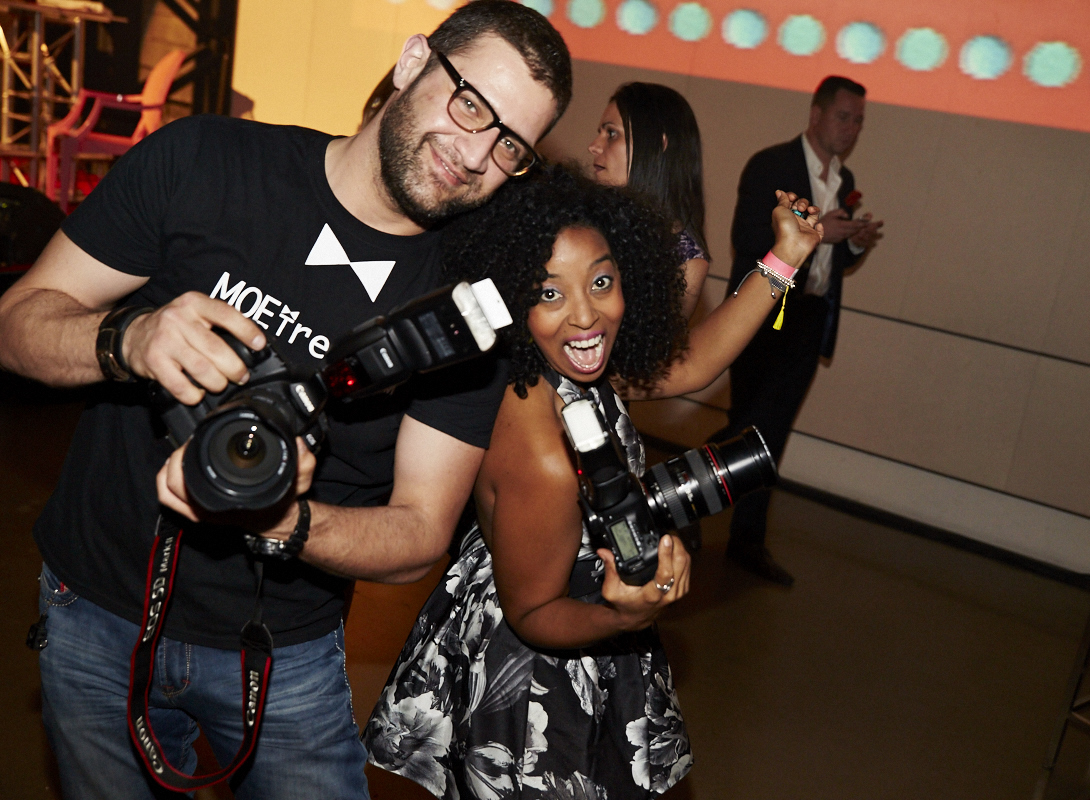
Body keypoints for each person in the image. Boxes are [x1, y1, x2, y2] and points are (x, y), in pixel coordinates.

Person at [0, 2, 571, 797]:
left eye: (510, 146)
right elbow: (17, 326)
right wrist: (130, 340)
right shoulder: (205, 160)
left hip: (282, 647)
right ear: (410, 63)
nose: (474, 155)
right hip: (96, 608)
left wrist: (282, 522)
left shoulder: (463, 312)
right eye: (469, 104)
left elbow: (417, 533)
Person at [363, 165, 823, 799]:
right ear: (507, 298)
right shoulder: (541, 452)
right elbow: (533, 613)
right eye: (549, 293)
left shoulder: (569, 368)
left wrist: (785, 257)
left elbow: (690, 364)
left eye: (601, 281)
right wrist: (621, 614)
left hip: (582, 613)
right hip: (540, 668)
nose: (585, 316)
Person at [716, 75, 884, 586]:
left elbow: (831, 258)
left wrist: (853, 242)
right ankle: (669, 498)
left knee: (771, 435)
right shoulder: (772, 165)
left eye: (858, 120)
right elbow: (746, 236)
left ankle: (744, 539)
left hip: (808, 319)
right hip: (763, 313)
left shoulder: (844, 176)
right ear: (816, 114)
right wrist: (816, 232)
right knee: (750, 425)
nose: (851, 128)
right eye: (843, 116)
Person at [587, 82, 708, 318]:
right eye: (600, 132)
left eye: (612, 134)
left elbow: (658, 352)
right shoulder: (577, 215)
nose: (594, 146)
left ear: (657, 145)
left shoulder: (685, 260)